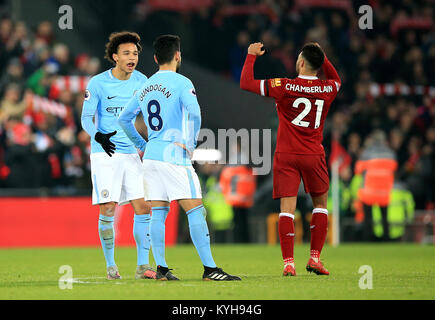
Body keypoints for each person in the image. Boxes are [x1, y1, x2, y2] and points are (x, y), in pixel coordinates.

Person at [118, 34, 241, 281]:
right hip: (174, 155)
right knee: (196, 210)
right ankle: (210, 269)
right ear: (177, 56)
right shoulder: (182, 82)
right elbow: (195, 113)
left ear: (154, 58)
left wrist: (143, 144)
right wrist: (191, 142)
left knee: (159, 212)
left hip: (151, 157)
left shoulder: (145, 86)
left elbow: (123, 119)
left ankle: (161, 269)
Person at [240, 42, 341, 276]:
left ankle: (289, 263)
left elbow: (246, 83)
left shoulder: (284, 86)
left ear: (302, 62)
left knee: (287, 210)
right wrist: (323, 57)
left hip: (286, 155)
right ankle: (315, 258)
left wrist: (251, 56)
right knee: (320, 207)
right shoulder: (328, 89)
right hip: (313, 154)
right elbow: (337, 79)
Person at [80, 31, 156, 280]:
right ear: (115, 57)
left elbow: (146, 116)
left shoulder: (142, 81)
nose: (132, 57)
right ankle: (111, 266)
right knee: (108, 208)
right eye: (126, 53)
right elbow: (85, 118)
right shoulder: (98, 83)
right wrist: (98, 135)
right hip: (105, 153)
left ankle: (142, 266)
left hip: (131, 153)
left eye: (134, 53)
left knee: (143, 206)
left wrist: (148, 142)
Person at [355, 130, 398, 241]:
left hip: (369, 191)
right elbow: (394, 169)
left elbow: (358, 170)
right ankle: (386, 239)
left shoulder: (367, 153)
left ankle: (368, 240)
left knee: (368, 218)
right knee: (384, 217)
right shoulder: (391, 153)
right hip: (384, 191)